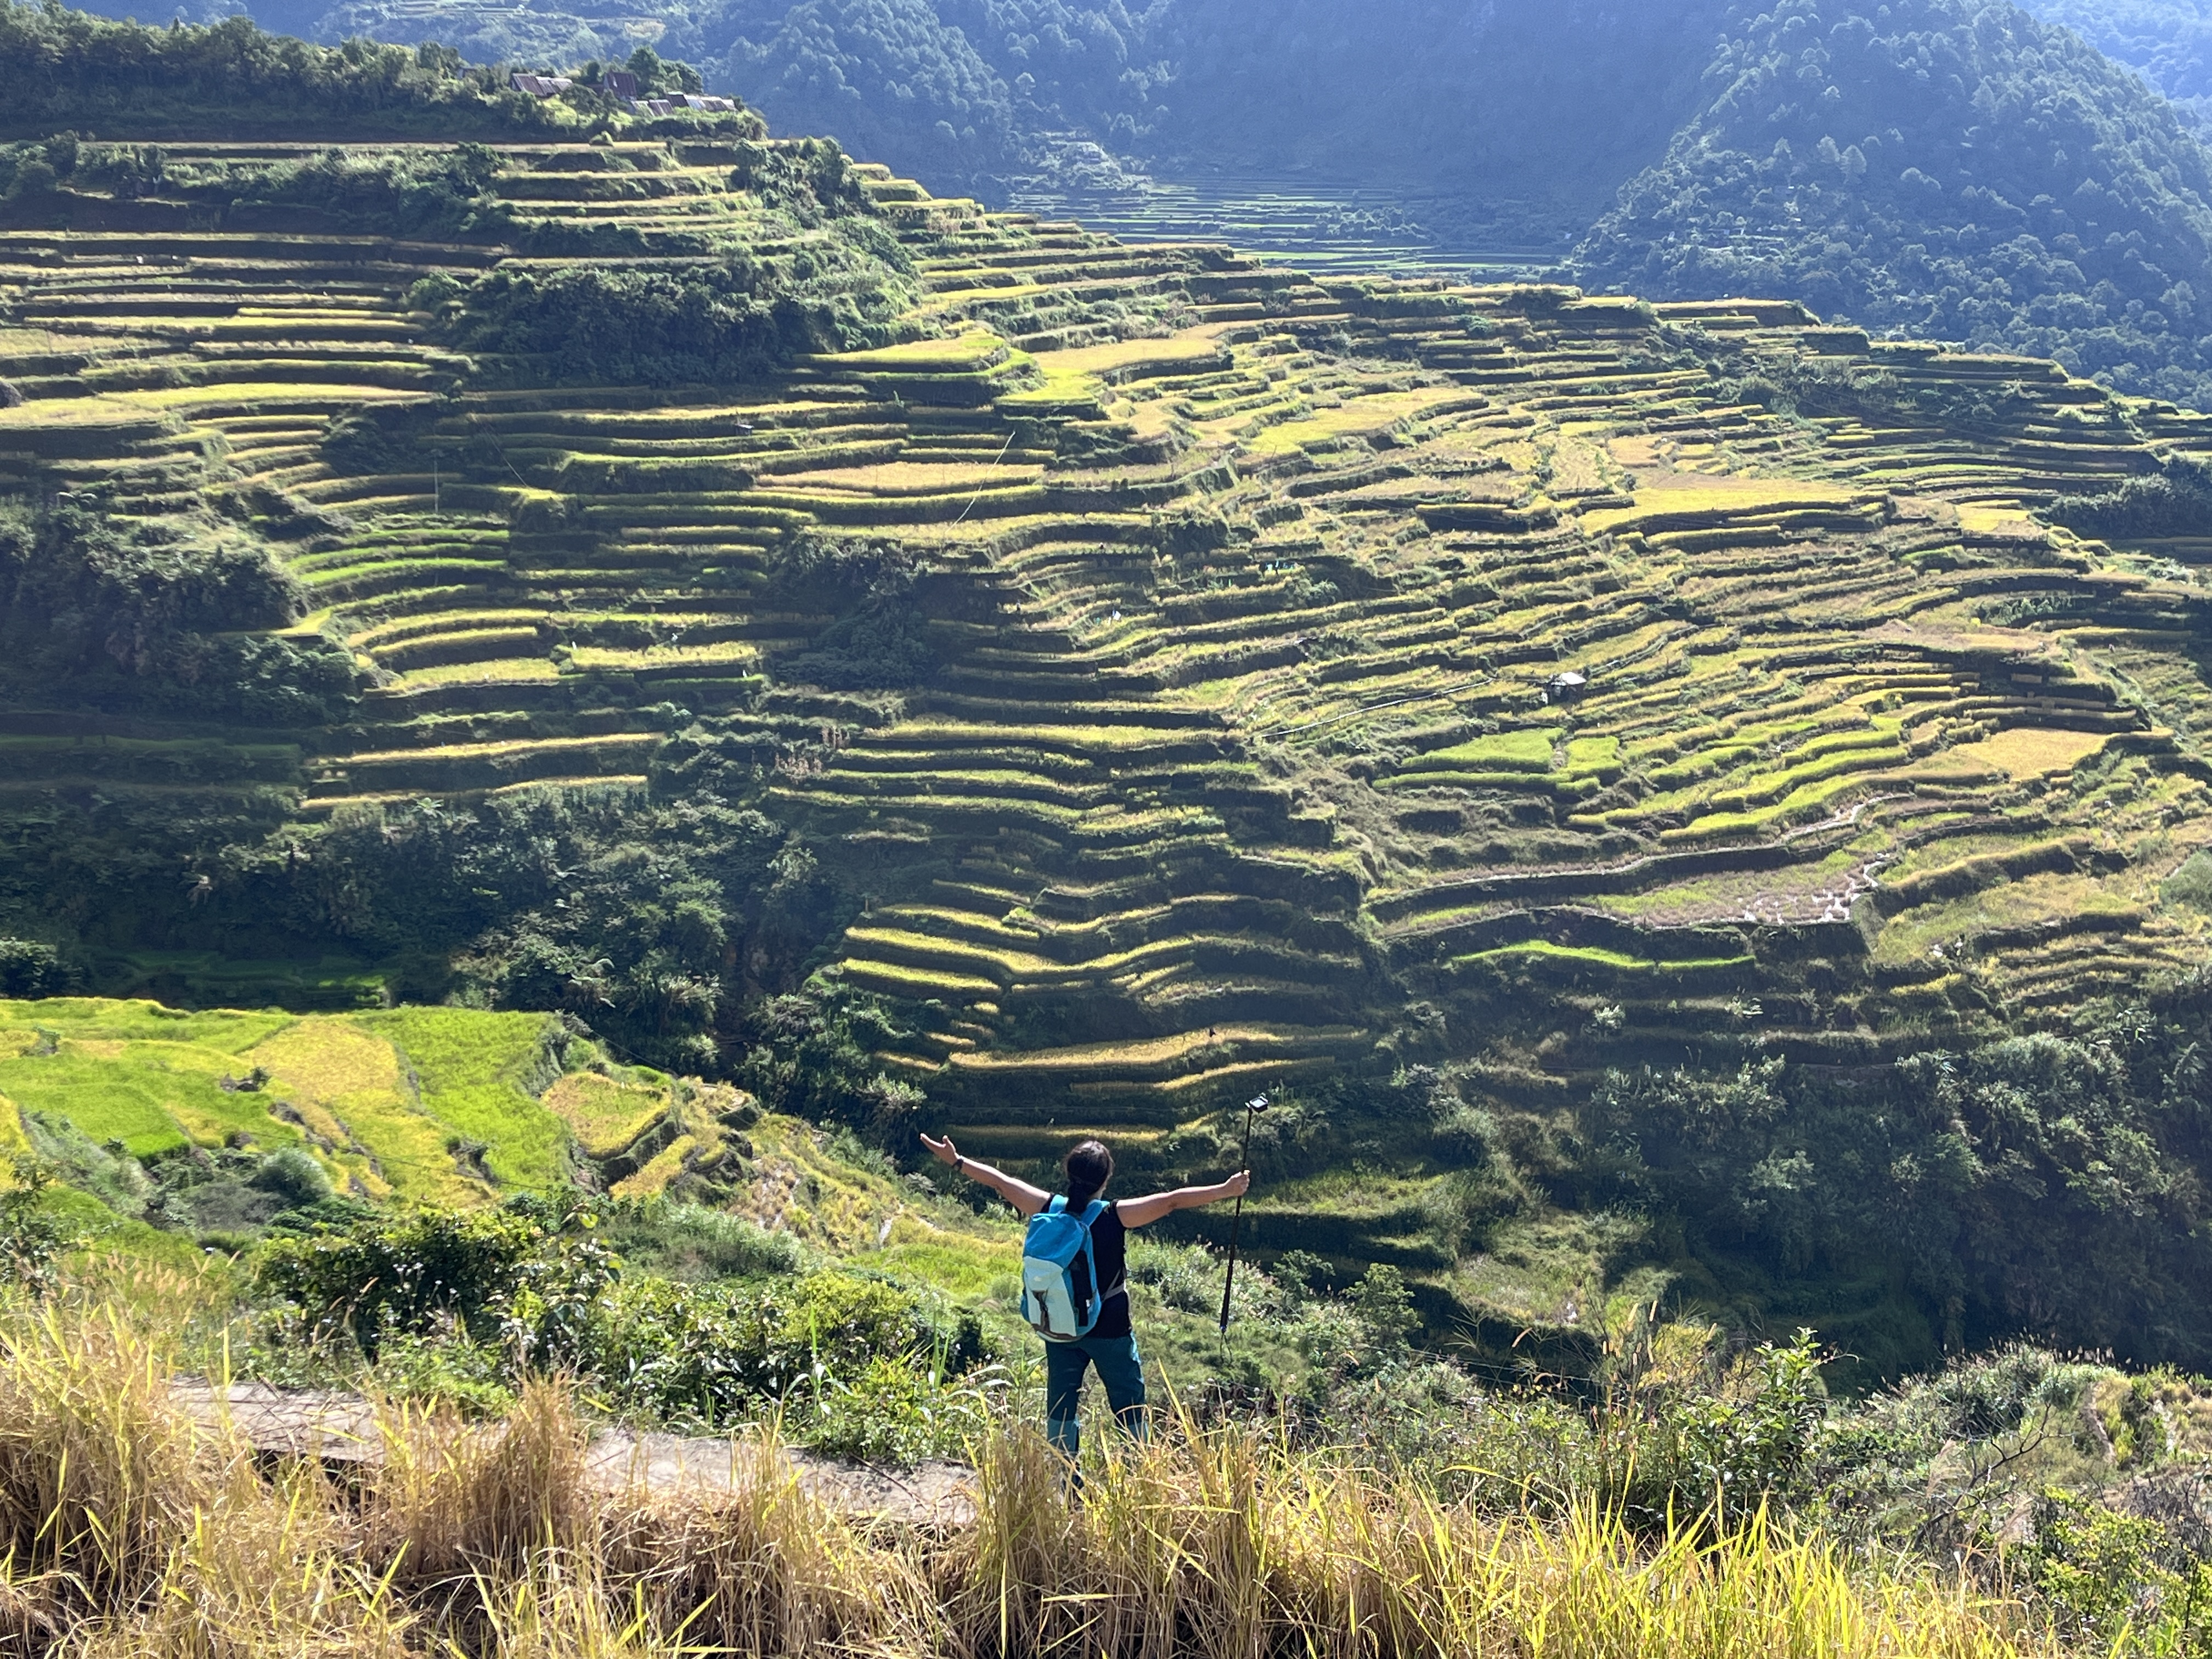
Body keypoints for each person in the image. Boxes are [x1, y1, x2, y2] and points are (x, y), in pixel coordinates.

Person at [920, 1132, 1249, 1460]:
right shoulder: (1115, 1216)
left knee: (1061, 1405)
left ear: (1068, 1173)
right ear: (1106, 1179)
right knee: (1129, 1403)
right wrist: (1225, 1190)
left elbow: (1001, 1183)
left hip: (1060, 1324)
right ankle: (1139, 1470)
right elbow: (1171, 1201)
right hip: (1111, 1330)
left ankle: (1065, 1477)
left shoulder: (1047, 1207)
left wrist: (957, 1161)